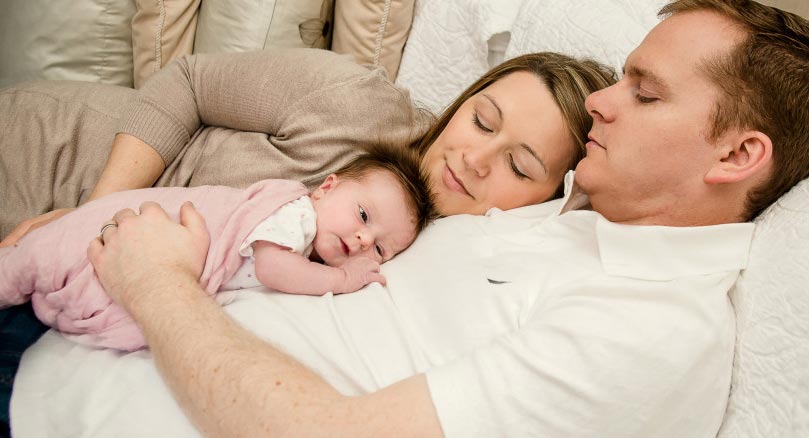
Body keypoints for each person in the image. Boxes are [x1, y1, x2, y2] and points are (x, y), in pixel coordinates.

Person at [13, 0, 809, 437]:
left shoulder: (650, 329)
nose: (603, 106)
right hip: (76, 322)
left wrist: (157, 283)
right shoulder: (569, 214)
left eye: (644, 92)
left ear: (736, 158)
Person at [0, 50, 616, 428]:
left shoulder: (431, 257)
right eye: (482, 119)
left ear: (546, 202)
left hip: (87, 290)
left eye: (519, 166)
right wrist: (97, 208)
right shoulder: (357, 103)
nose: (476, 157)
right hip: (50, 163)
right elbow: (186, 82)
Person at [0, 146, 433, 351]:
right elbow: (269, 267)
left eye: (379, 250)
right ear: (326, 188)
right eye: (362, 216)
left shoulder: (307, 240)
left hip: (139, 252)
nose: (362, 240)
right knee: (32, 262)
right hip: (124, 227)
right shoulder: (293, 213)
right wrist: (341, 278)